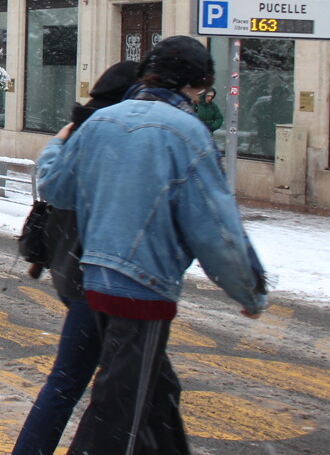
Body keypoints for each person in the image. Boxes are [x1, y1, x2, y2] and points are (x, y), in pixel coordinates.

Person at [37, 36, 267, 454]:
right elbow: (216, 228)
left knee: (157, 396)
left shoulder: (102, 122)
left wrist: (57, 143)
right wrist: (248, 288)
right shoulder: (188, 134)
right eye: (201, 91)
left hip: (96, 282)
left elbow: (56, 187)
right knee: (115, 416)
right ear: (194, 86)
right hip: (143, 290)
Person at [11, 61, 140, 455]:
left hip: (73, 273)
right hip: (99, 280)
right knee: (99, 386)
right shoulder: (113, 138)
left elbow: (53, 185)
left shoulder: (76, 133)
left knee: (82, 383)